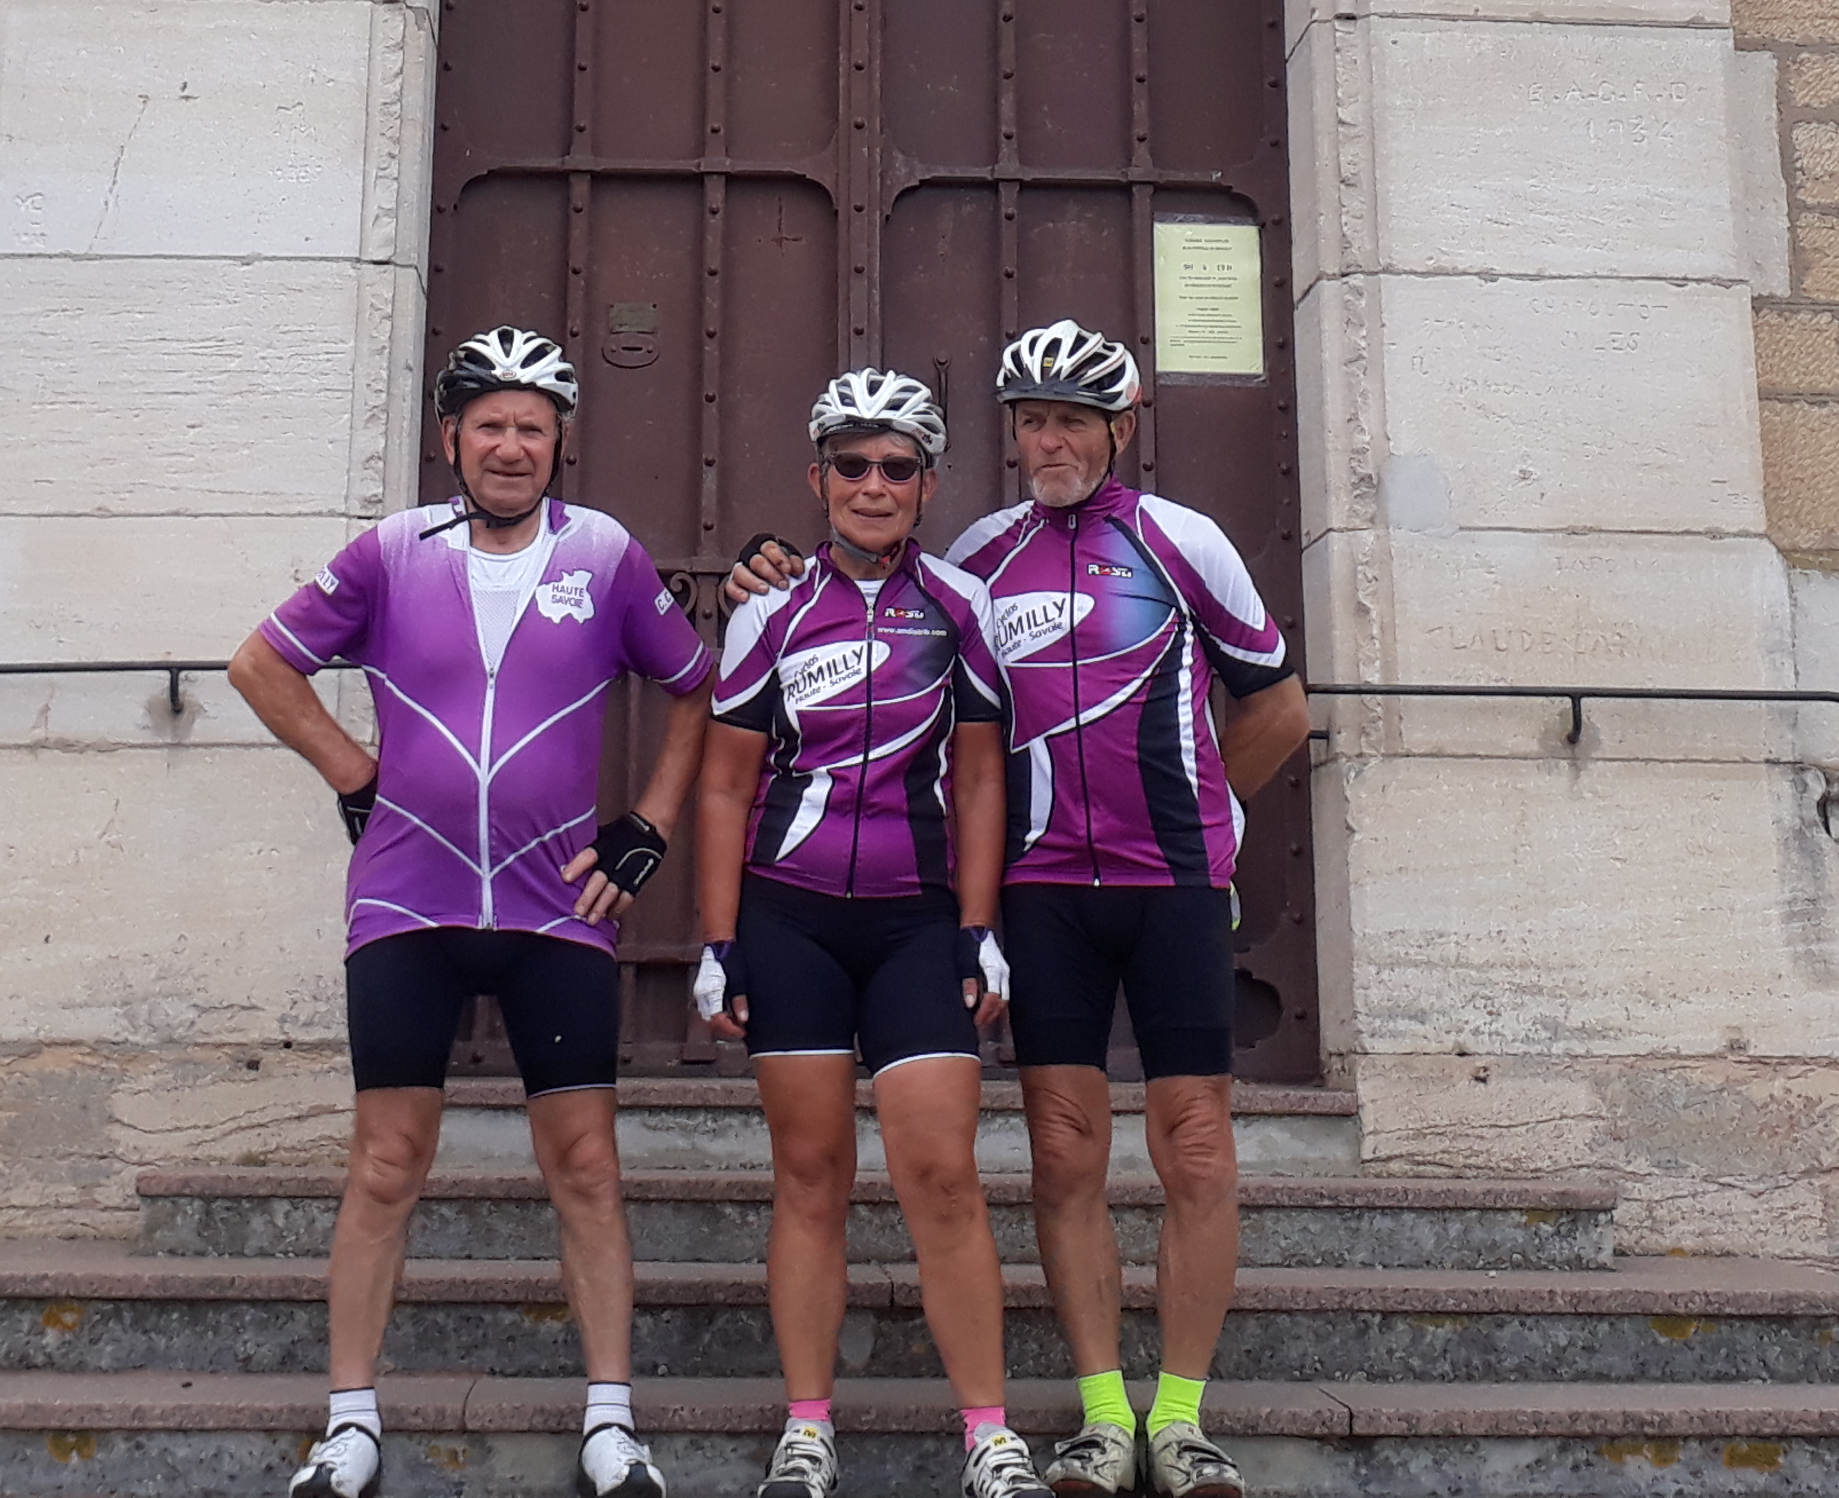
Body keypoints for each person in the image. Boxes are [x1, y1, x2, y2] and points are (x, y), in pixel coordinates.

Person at [727, 320, 1308, 1498]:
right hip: (1042, 894)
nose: (1050, 442)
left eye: (1073, 422)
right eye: (1032, 422)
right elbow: (879, 592)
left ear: (1120, 427)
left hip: (1171, 885)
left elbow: (1279, 707)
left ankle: (1180, 1421)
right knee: (1063, 1147)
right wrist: (765, 568)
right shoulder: (982, 555)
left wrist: (1214, 820)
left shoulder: (1182, 540)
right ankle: (1100, 1418)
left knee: (1196, 1144)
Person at [231, 327, 715, 1498]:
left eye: (531, 428)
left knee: (585, 1165)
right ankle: (350, 1424)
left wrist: (649, 827)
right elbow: (260, 665)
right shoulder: (393, 552)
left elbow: (697, 686)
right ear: (452, 437)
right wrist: (353, 773)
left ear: (558, 443)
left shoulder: (601, 554)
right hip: (410, 899)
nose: (510, 445)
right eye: (490, 424)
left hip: (556, 908)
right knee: (386, 1162)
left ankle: (611, 1423)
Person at [693, 371, 1041, 1498]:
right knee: (810, 1175)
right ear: (819, 479)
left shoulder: (962, 606)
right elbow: (723, 785)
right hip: (789, 917)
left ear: (929, 485)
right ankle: (807, 1428)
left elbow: (981, 778)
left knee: (941, 1174)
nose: (874, 485)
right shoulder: (770, 611)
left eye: (898, 467)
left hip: (915, 921)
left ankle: (989, 1434)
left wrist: (979, 927)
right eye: (854, 465)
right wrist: (717, 941)